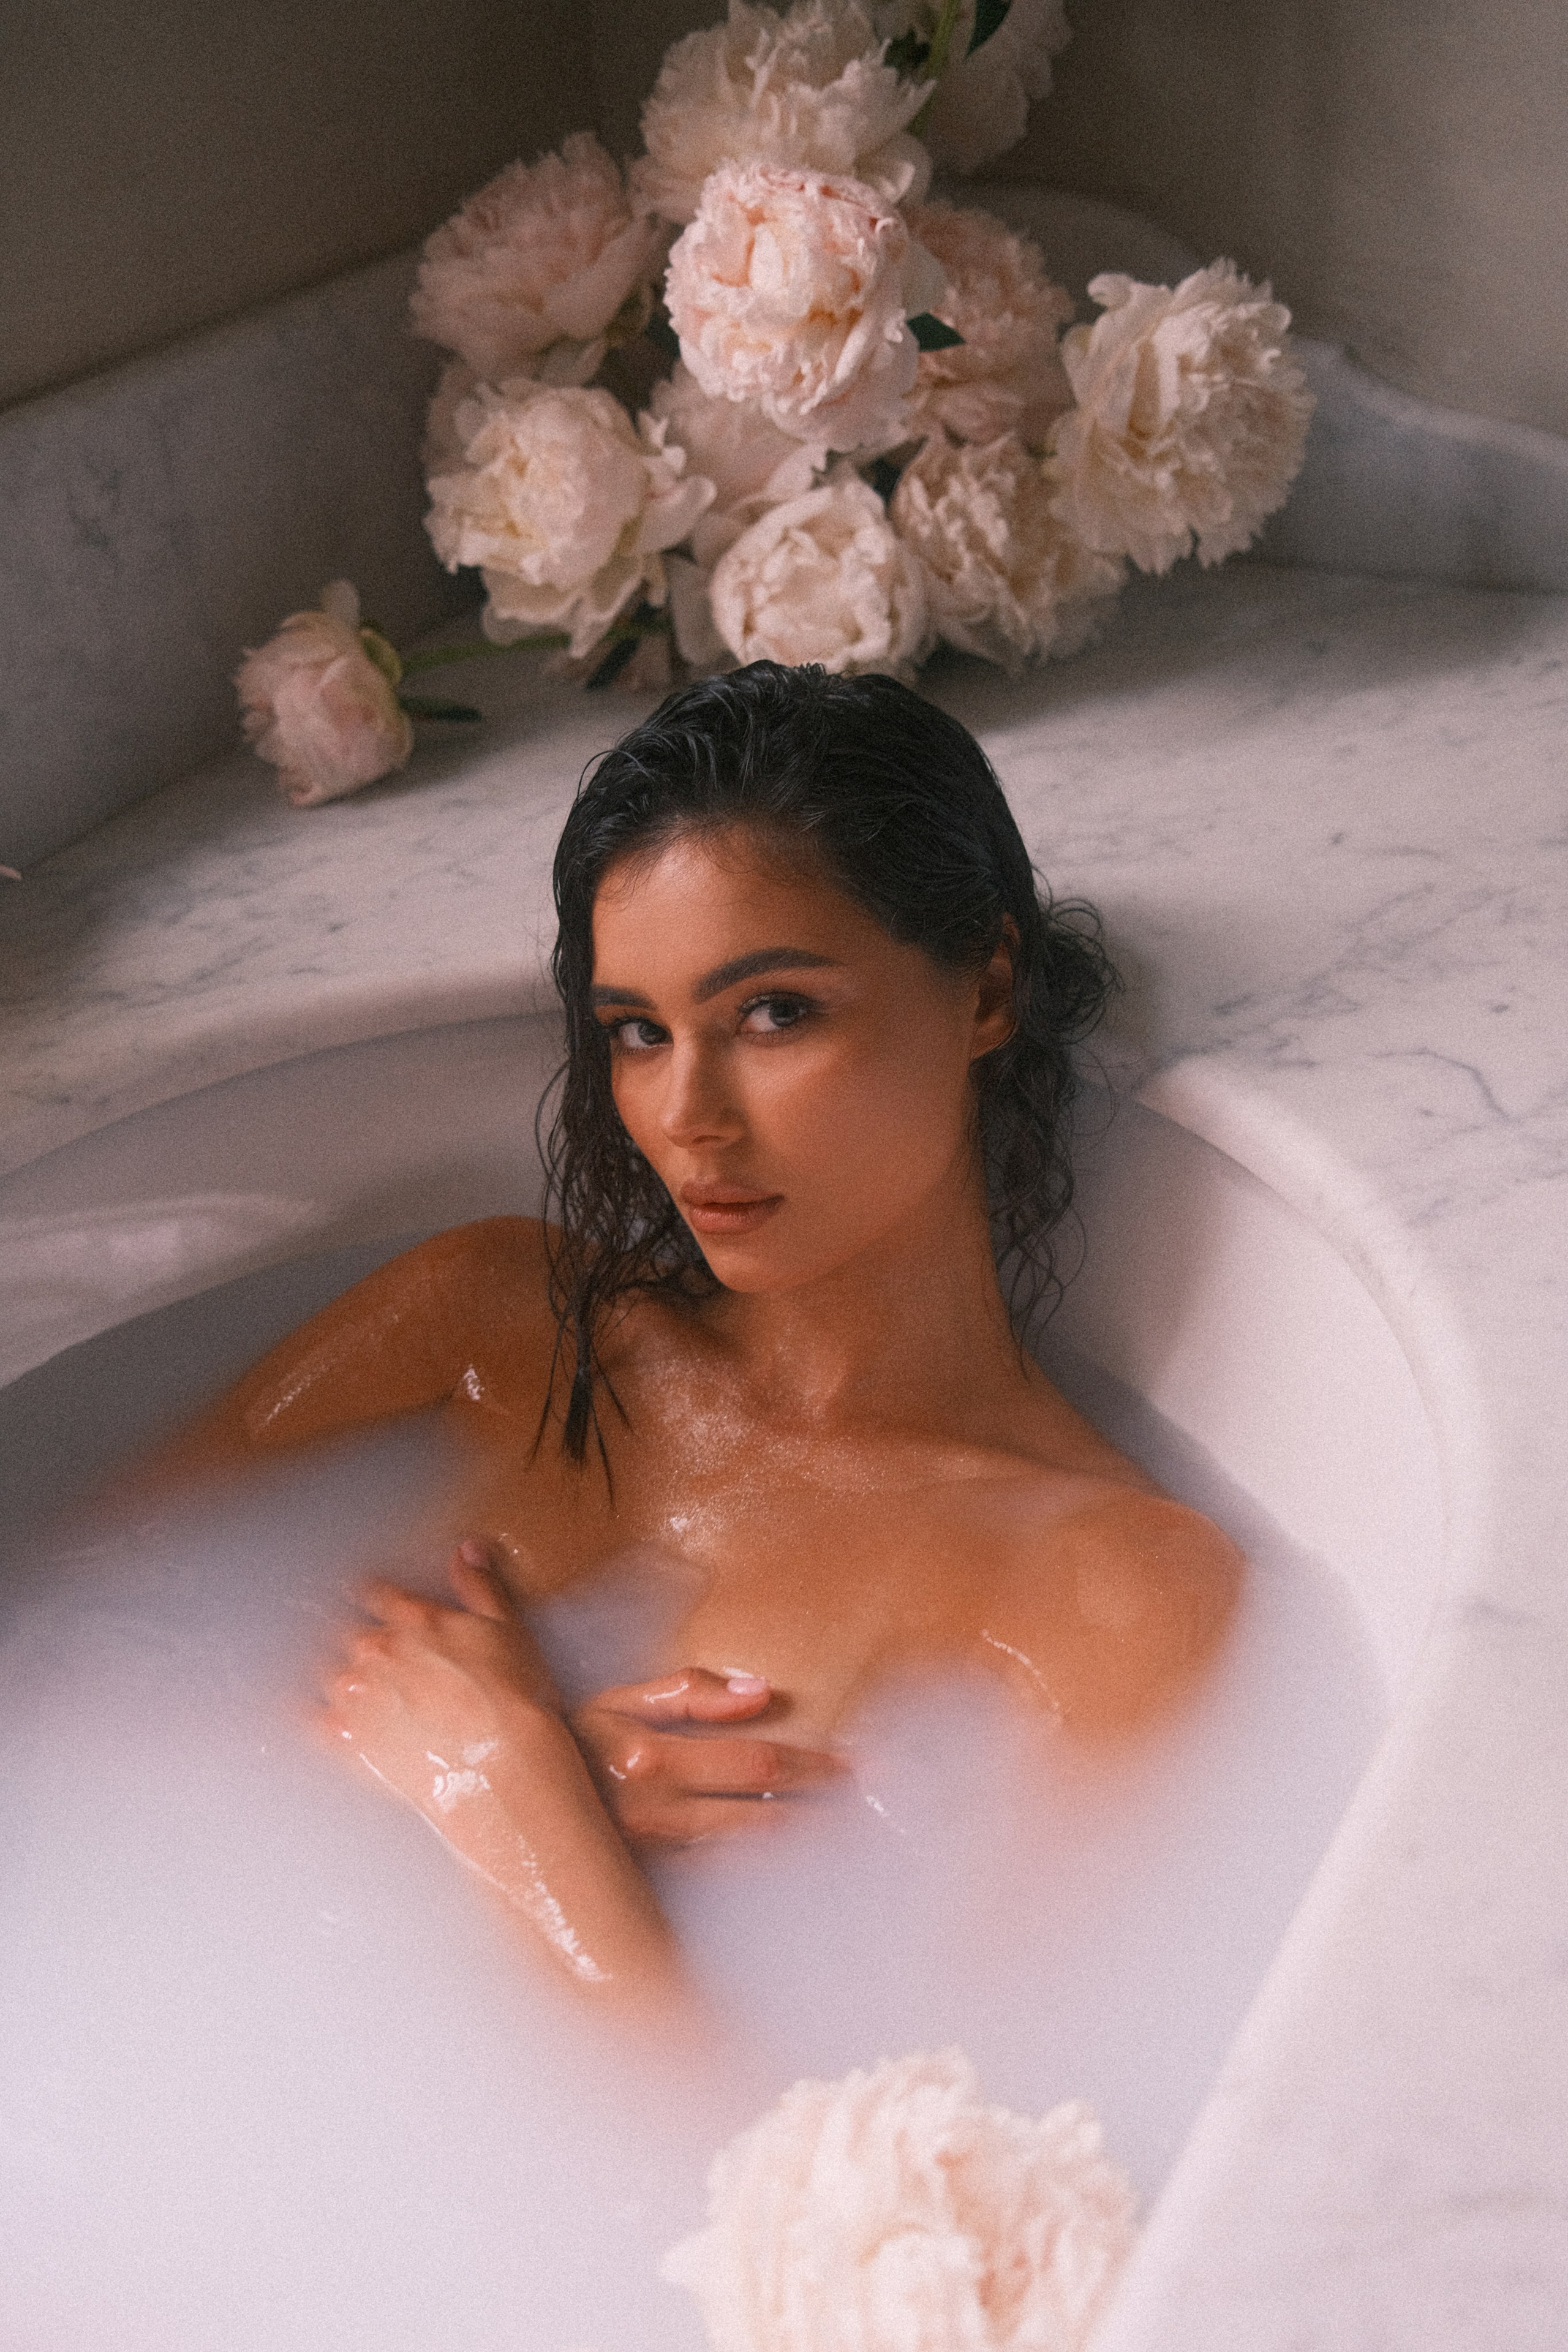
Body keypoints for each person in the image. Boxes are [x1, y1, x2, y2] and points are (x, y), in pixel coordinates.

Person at [153, 662, 1241, 2009]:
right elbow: (95, 1669)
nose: (685, 1116)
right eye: (635, 1032)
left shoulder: (1112, 1585)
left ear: (984, 989)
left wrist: (513, 1790)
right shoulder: (478, 1321)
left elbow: (874, 2164)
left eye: (772, 1013)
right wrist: (507, 1773)